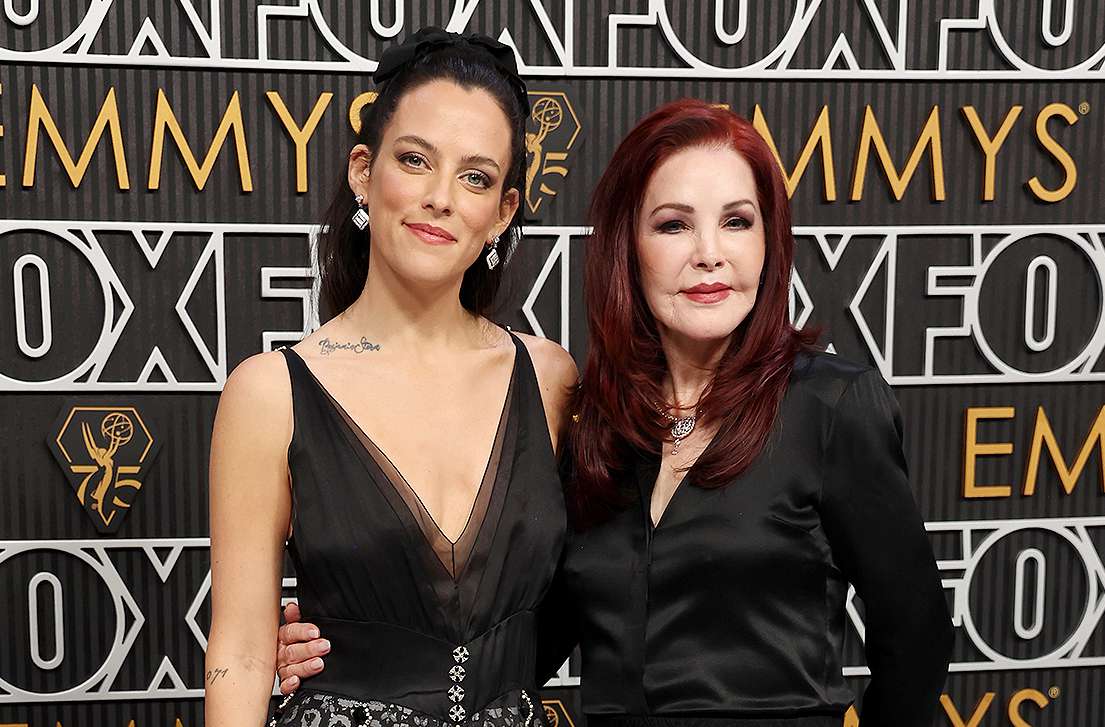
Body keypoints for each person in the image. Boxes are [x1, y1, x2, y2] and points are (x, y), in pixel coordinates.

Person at [275, 100, 953, 726]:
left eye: (736, 221)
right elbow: (522, 645)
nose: (708, 253)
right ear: (628, 247)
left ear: (769, 243)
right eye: (673, 224)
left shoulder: (830, 404)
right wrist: (362, 651)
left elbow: (914, 636)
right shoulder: (598, 423)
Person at [204, 27, 577, 727]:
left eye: (476, 176)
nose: (441, 197)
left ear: (501, 213)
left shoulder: (550, 379)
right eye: (414, 159)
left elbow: (595, 586)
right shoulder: (270, 393)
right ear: (361, 172)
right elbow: (243, 650)